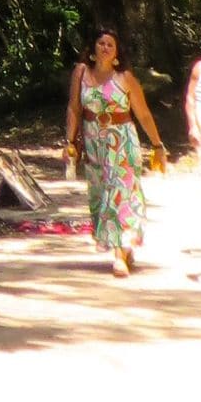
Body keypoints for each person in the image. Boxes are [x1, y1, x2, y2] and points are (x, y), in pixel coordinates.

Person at [65, 25, 167, 277]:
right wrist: (69, 142)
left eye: (111, 44)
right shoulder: (81, 73)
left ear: (118, 51)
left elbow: (142, 113)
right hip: (93, 142)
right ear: (92, 48)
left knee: (119, 192)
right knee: (100, 194)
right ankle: (124, 243)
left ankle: (119, 254)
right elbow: (74, 108)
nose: (106, 48)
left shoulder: (126, 78)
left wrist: (157, 145)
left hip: (122, 142)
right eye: (101, 43)